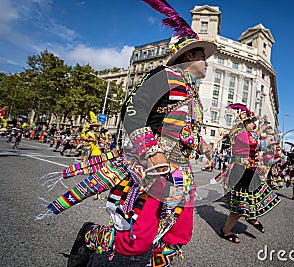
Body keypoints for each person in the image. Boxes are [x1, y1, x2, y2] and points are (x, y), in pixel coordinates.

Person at [60, 7, 218, 266]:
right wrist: (151, 151)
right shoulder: (165, 76)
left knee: (179, 234)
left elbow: (183, 129)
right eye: (203, 56)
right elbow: (133, 111)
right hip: (152, 168)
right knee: (136, 241)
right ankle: (90, 235)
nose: (207, 62)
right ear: (189, 55)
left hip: (182, 174)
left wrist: (203, 144)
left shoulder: (191, 92)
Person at [220, 103, 280, 244]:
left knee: (254, 197)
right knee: (240, 203)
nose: (254, 125)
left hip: (248, 171)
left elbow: (255, 137)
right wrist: (268, 137)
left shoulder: (245, 134)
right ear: (245, 123)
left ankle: (251, 217)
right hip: (240, 172)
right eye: (252, 123)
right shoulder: (241, 135)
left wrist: (264, 127)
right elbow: (257, 142)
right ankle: (226, 230)